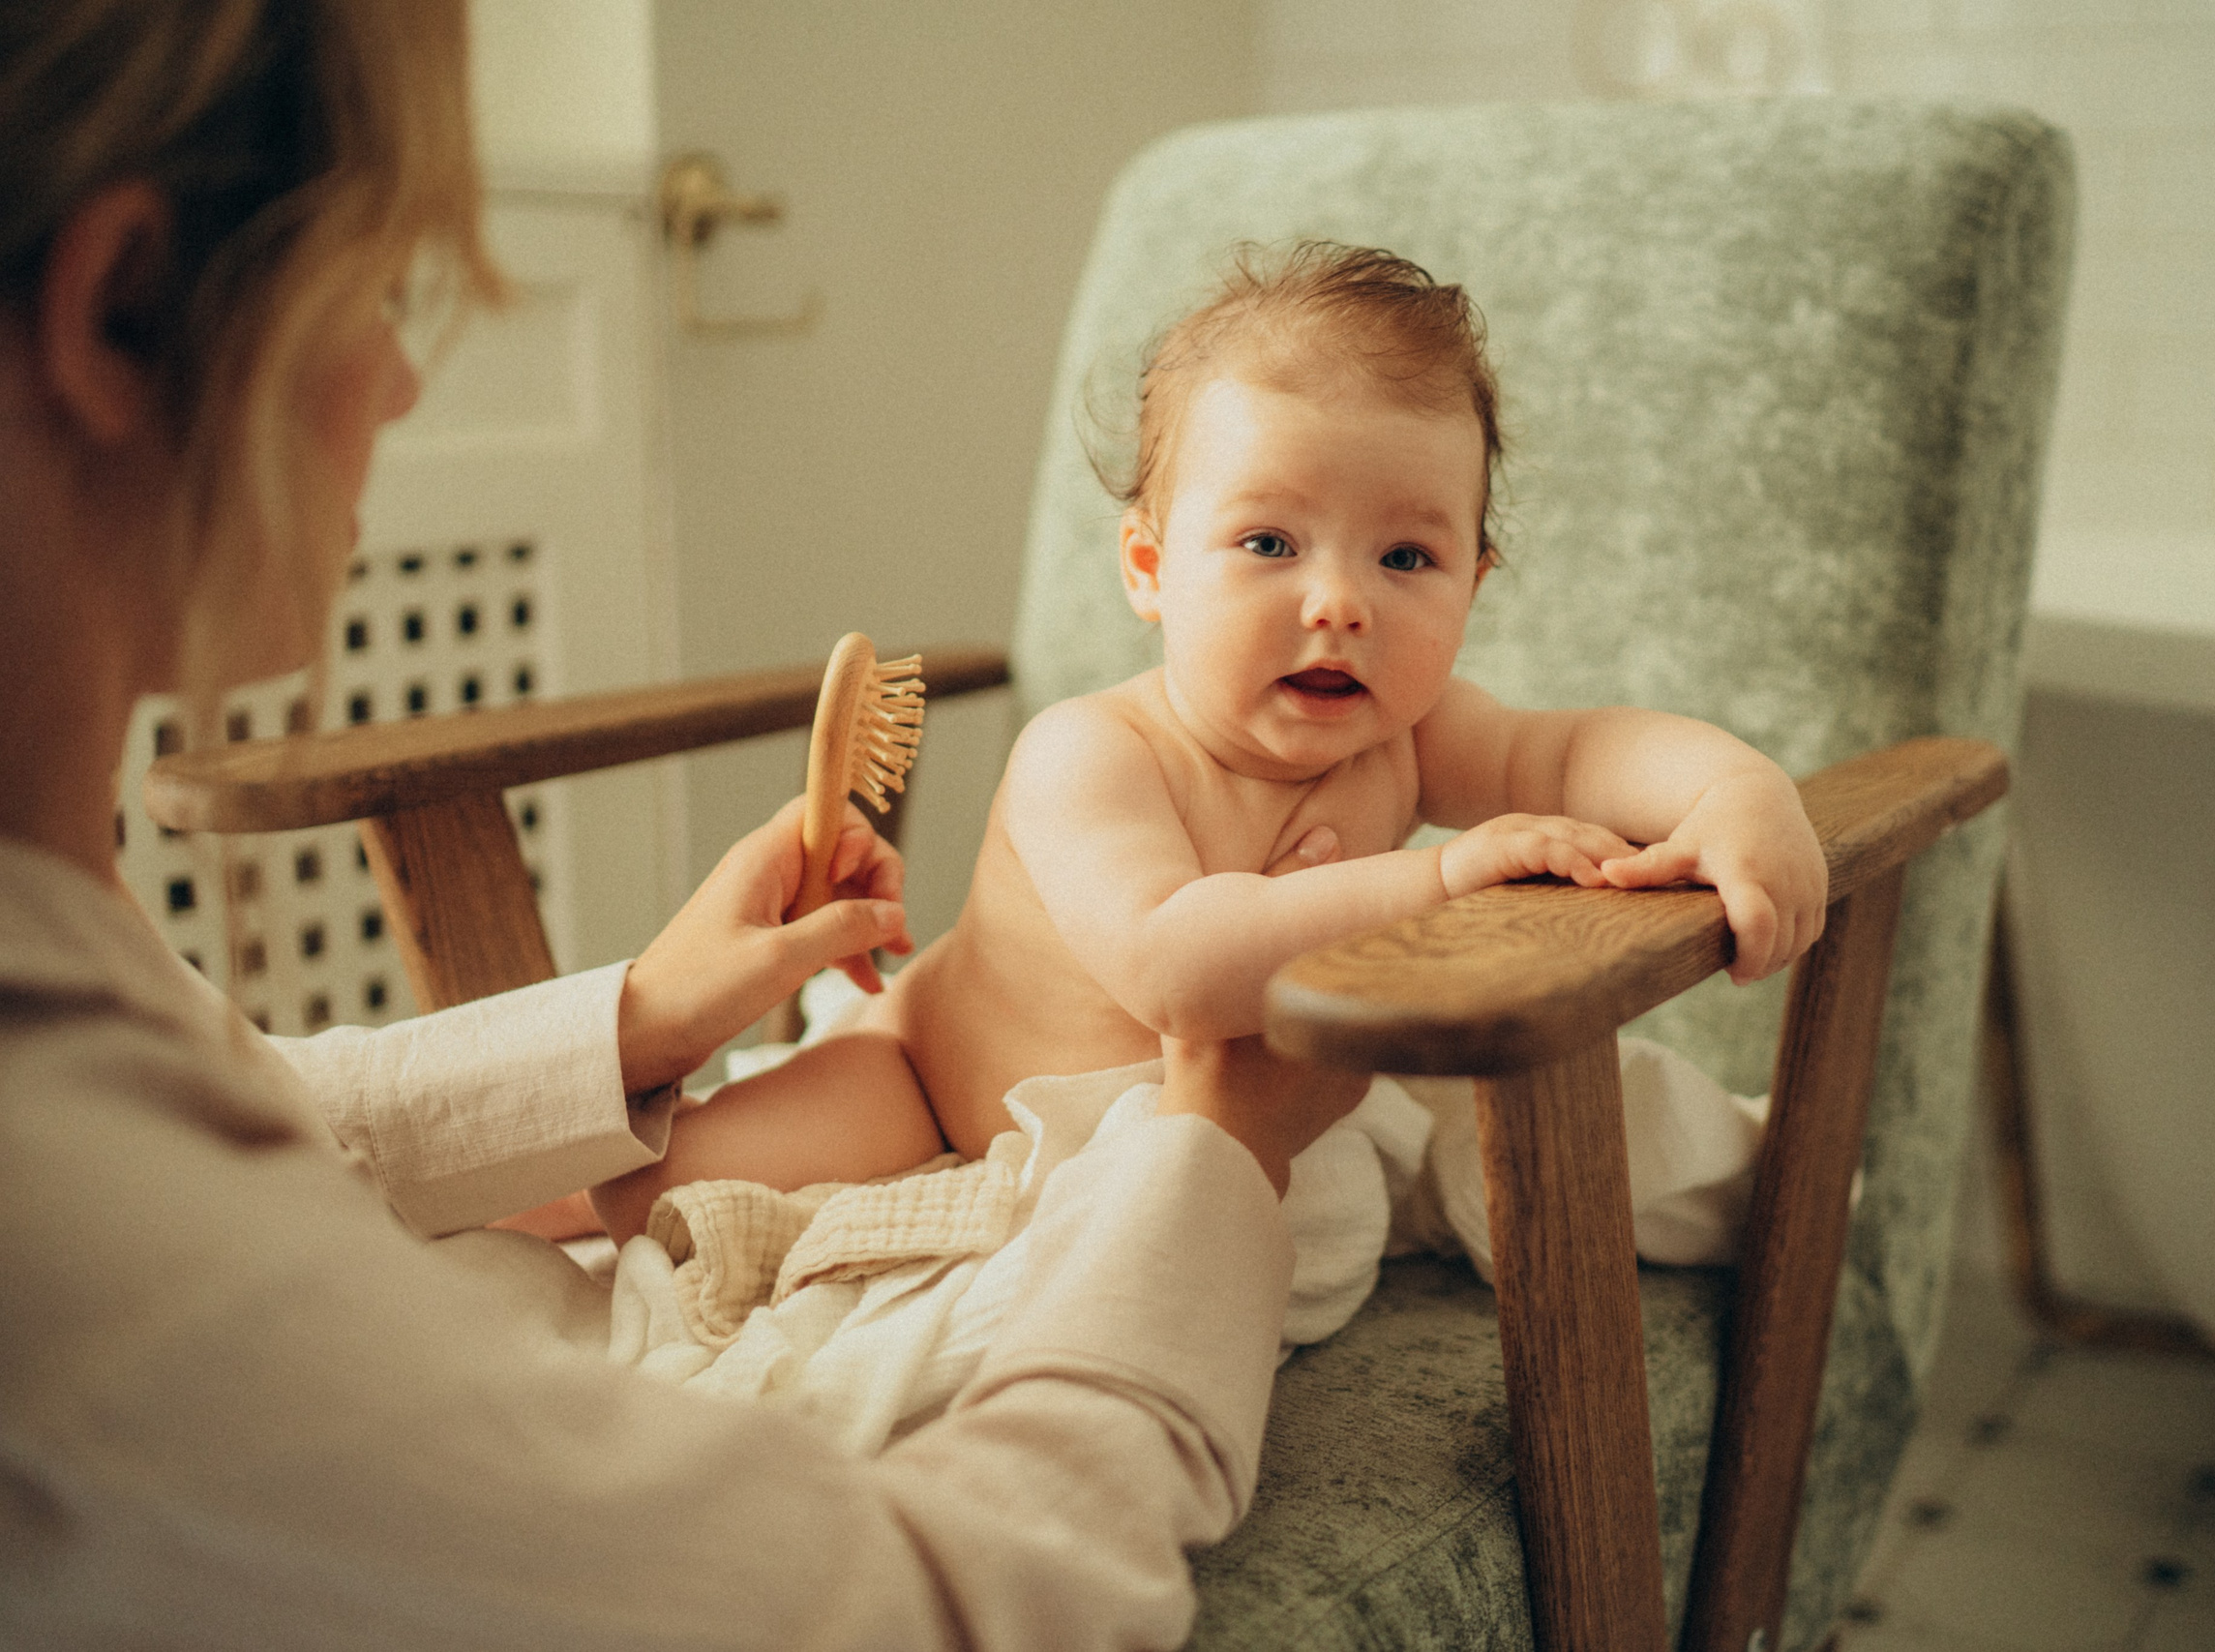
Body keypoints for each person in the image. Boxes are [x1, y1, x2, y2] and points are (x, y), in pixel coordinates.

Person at [0, 3, 1366, 1646]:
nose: (404, 377)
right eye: (380, 289)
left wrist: (640, 1015)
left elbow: (271, 1107)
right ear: (123, 307)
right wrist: (1219, 1153)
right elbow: (958, 1605)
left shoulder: (82, 1045)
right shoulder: (78, 1227)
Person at [595, 241, 1829, 1243]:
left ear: (1475, 581)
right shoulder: (1092, 754)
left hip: (1205, 1130)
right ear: (1149, 565)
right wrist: (1443, 879)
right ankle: (502, 1196)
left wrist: (1735, 792)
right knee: (658, 1191)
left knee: (1629, 1122)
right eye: (1269, 544)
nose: (1338, 603)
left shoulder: (1413, 732)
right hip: (932, 1082)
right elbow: (1172, 966)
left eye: (1406, 556)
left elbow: (1579, 756)